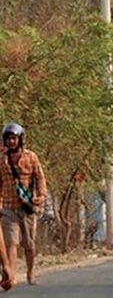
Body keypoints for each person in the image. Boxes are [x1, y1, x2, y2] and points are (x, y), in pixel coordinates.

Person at [1, 122, 47, 286]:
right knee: (11, 242)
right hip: (8, 207)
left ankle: (30, 271)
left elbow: (40, 177)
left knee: (29, 244)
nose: (11, 142)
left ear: (20, 139)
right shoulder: (2, 159)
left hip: (27, 207)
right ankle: (10, 275)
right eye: (8, 138)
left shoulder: (31, 157)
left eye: (14, 138)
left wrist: (41, 196)